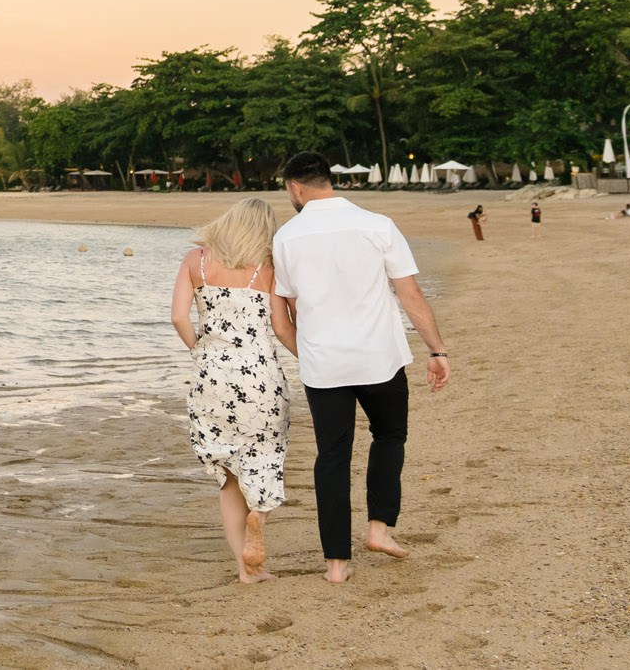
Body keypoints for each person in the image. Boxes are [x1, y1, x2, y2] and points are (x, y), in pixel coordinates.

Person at [272, 152, 452, 585]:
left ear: (295, 187)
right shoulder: (377, 224)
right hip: (380, 358)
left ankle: (336, 564)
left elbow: (294, 310)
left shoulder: (287, 237)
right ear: (326, 180)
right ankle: (378, 528)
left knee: (332, 457)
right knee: (389, 436)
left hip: (324, 366)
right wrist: (437, 350)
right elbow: (410, 295)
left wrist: (312, 354)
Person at [170, 197, 292, 583]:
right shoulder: (267, 269)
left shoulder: (196, 261)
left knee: (228, 478)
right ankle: (261, 513)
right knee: (266, 456)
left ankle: (245, 570)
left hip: (212, 379)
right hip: (261, 376)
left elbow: (177, 317)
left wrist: (202, 354)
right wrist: (314, 357)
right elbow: (282, 327)